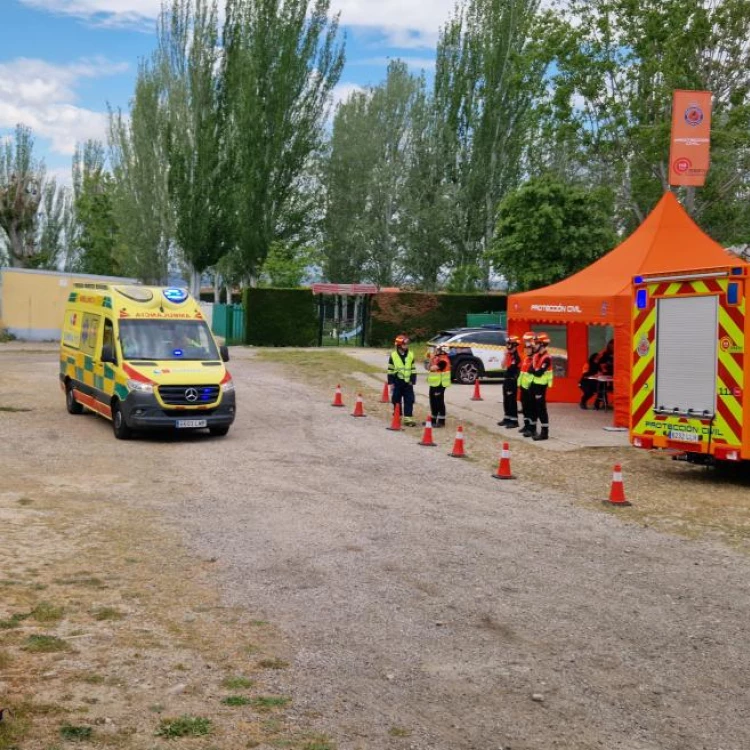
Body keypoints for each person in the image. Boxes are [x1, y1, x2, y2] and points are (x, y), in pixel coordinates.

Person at [388, 334, 417, 427]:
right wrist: (391, 382)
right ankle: (398, 415)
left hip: (408, 382)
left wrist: (413, 379)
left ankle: (408, 418)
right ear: (399, 345)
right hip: (397, 381)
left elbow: (413, 368)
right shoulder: (393, 355)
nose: (407, 346)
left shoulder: (411, 354)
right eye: (405, 344)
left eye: (407, 344)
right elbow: (390, 369)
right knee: (396, 399)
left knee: (409, 399)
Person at [529, 332, 553, 441]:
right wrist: (535, 370)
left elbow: (538, 373)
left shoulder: (546, 358)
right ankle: (533, 429)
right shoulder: (536, 356)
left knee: (541, 409)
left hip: (541, 386)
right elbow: (531, 370)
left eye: (537, 343)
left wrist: (535, 371)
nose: (534, 345)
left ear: (542, 344)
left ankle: (544, 433)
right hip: (534, 384)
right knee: (534, 408)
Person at [579, 339, 614, 410]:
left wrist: (602, 373)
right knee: (590, 392)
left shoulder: (598, 365)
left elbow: (602, 371)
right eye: (597, 357)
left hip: (595, 382)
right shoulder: (588, 364)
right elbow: (585, 374)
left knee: (602, 389)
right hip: (585, 382)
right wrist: (595, 374)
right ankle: (583, 402)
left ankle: (598, 404)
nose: (599, 357)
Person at [498, 335, 521, 428]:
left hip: (512, 381)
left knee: (512, 401)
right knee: (506, 400)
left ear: (514, 345)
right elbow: (502, 366)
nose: (508, 346)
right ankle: (507, 418)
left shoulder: (517, 356)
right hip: (506, 380)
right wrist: (505, 355)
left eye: (509, 344)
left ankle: (514, 420)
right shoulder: (509, 355)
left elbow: (512, 368)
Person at [426, 345, 451, 427]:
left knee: (439, 402)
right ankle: (433, 420)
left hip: (440, 384)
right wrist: (431, 359)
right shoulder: (437, 358)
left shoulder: (444, 360)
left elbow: (432, 368)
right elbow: (427, 367)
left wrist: (431, 359)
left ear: (442, 351)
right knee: (433, 402)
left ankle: (441, 421)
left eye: (438, 350)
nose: (436, 351)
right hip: (434, 383)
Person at [518, 332, 536, 436]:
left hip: (531, 388)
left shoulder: (535, 359)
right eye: (526, 347)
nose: (527, 349)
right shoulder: (526, 358)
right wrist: (519, 384)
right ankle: (526, 425)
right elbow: (522, 373)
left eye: (529, 347)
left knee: (531, 409)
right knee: (525, 408)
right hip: (524, 388)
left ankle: (532, 428)